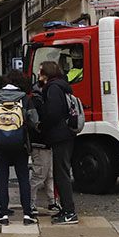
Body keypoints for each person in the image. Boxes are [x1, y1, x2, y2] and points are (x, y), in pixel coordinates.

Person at [0, 70, 38, 226]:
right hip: (20, 143)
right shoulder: (24, 98)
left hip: (0, 144)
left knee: (2, 178)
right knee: (23, 178)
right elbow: (34, 119)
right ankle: (27, 214)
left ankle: (2, 214)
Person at [39, 60, 79, 225]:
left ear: (47, 73)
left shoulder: (53, 88)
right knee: (61, 172)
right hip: (66, 134)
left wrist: (42, 125)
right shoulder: (62, 86)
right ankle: (66, 209)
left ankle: (69, 212)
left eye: (41, 71)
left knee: (61, 174)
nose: (39, 75)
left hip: (60, 135)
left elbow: (53, 113)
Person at [29, 69, 57, 214]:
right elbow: (38, 122)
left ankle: (52, 201)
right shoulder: (38, 99)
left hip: (43, 141)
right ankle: (31, 203)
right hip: (41, 142)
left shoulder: (36, 98)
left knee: (48, 174)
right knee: (40, 174)